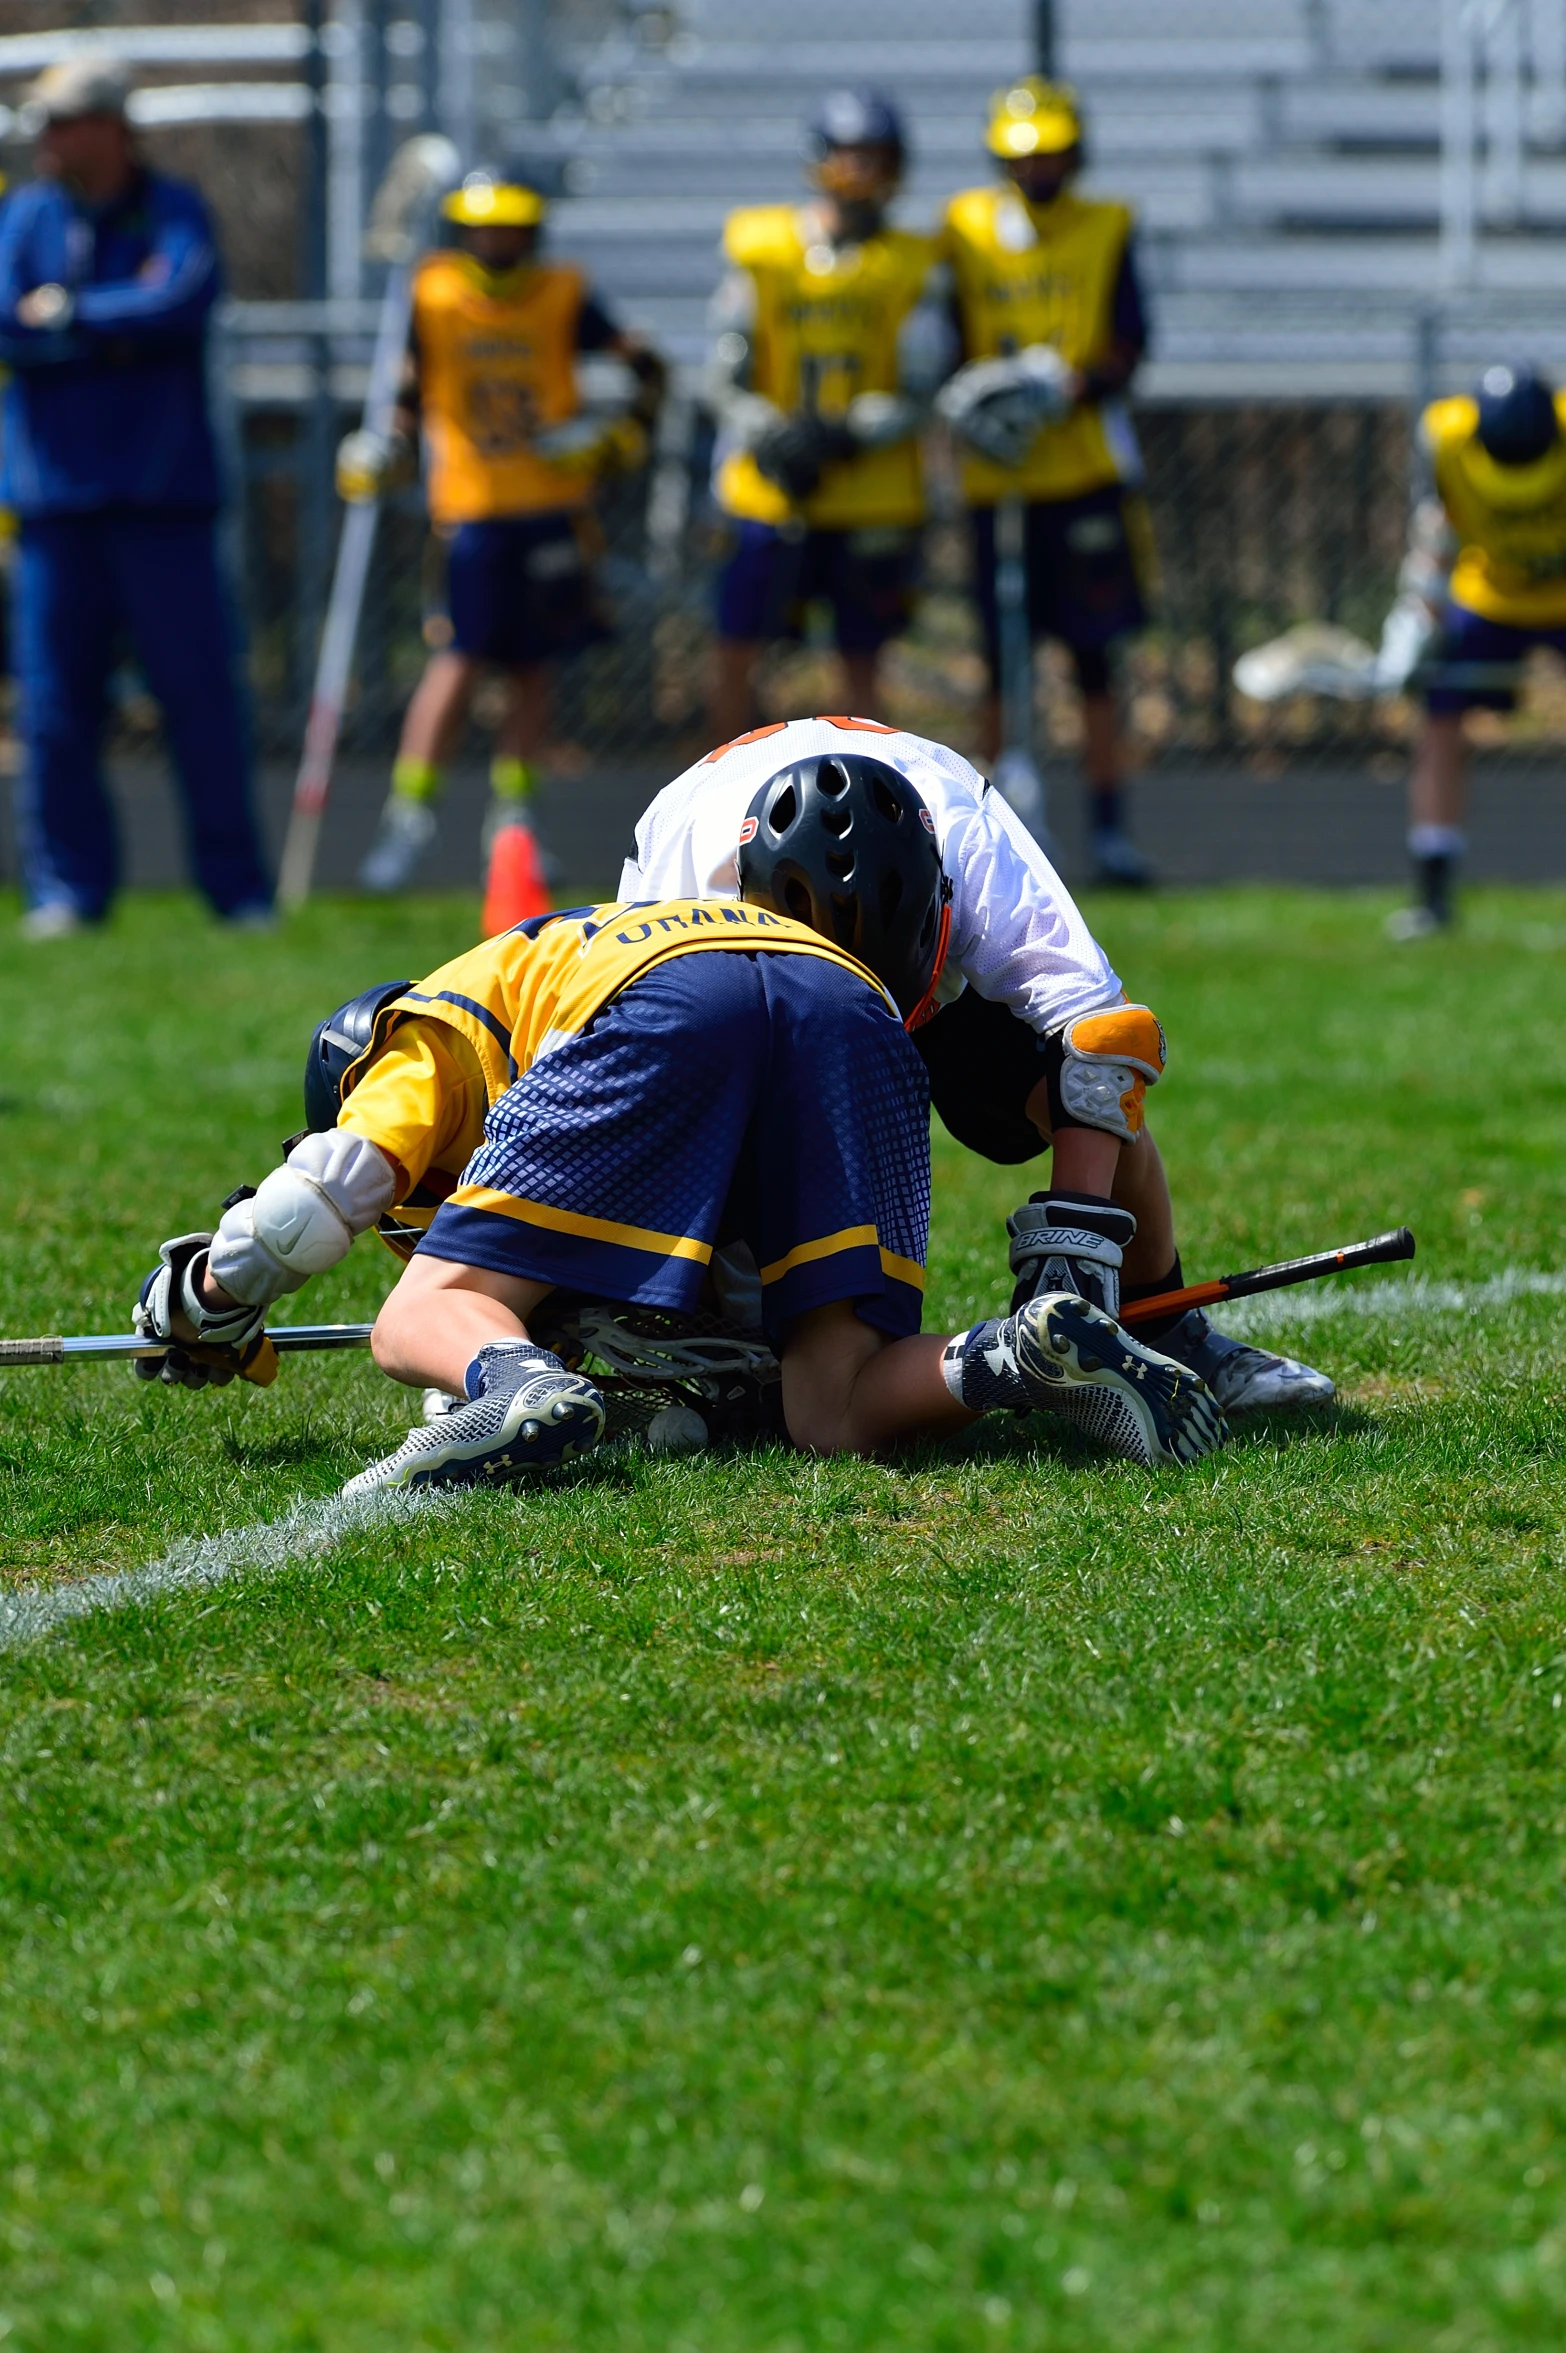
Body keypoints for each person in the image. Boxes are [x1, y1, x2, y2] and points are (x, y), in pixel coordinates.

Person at [130, 758, 1228, 1488]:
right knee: (831, 1404)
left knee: (431, 1308)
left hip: (673, 995)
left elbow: (318, 1196)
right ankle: (1016, 1355)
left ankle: (513, 1388)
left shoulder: (422, 1034)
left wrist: (206, 1297)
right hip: (857, 1007)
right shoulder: (604, 923)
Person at [622, 715, 1337, 1417]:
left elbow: (1106, 1036)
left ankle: (1167, 1327)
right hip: (776, 1004)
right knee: (723, 1164)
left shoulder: (973, 843)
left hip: (936, 991)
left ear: (943, 892)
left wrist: (1077, 1232)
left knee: (1059, 1082)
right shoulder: (681, 889)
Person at [0, 56, 272, 938]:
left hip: (162, 505)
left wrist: (72, 317)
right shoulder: (28, 214)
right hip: (54, 506)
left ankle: (238, 894)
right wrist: (111, 327)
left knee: (198, 698)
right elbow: (8, 319)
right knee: (54, 709)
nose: (46, 140)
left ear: (112, 126)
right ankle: (68, 892)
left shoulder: (173, 207)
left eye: (63, 122)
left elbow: (180, 301)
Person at [344, 173, 665, 895]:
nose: (498, 244)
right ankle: (409, 817)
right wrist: (384, 448)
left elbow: (647, 369)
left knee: (533, 669)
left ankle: (516, 825)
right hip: (470, 511)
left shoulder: (561, 294)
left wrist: (612, 440)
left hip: (551, 509)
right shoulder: (431, 295)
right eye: (484, 231)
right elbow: (403, 388)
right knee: (457, 662)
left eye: (511, 231)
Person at [939, 77, 1155, 888]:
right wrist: (977, 394)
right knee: (1000, 663)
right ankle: (986, 839)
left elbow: (1132, 345)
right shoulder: (962, 228)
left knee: (1096, 659)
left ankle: (1109, 833)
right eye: (1027, 157)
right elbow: (943, 339)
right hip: (996, 479)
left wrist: (1063, 388)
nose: (1041, 170)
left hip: (1082, 471)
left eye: (1055, 153)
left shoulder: (1107, 226)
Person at [703, 87, 953, 741]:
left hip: (870, 489)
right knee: (736, 649)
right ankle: (717, 810)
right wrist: (772, 432)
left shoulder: (914, 263)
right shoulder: (761, 248)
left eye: (874, 158)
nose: (860, 174)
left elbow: (923, 384)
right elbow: (725, 371)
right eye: (848, 156)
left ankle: (869, 806)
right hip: (770, 488)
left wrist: (845, 434)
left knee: (863, 663)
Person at [1383, 362, 1566, 940]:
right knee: (1439, 719)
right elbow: (1436, 525)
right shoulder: (1450, 439)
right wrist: (1418, 612)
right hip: (1490, 592)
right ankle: (1434, 891)